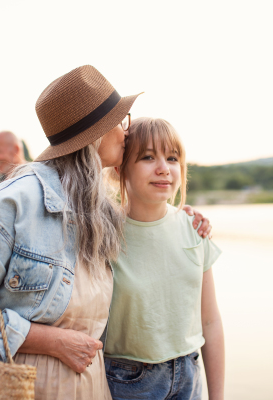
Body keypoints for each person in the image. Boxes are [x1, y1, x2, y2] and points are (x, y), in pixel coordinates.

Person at [0, 65, 210, 400]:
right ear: (97, 133)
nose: (126, 132)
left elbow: (149, 240)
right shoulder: (16, 201)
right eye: (121, 121)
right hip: (20, 388)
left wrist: (182, 219)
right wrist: (52, 341)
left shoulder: (98, 210)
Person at [104, 118, 225, 400]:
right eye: (147, 157)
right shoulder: (103, 236)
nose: (164, 169)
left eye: (172, 158)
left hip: (189, 374)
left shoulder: (194, 229)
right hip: (125, 381)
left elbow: (210, 322)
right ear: (120, 167)